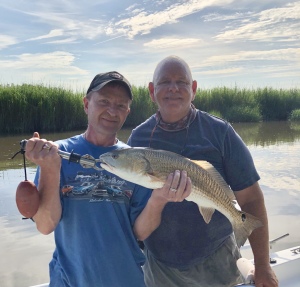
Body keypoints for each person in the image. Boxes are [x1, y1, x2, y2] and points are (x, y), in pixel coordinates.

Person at [25, 71, 191, 287]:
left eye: (121, 105)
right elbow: (45, 225)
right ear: (86, 104)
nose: (112, 111)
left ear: (127, 112)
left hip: (126, 279)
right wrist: (50, 169)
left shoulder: (137, 161)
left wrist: (159, 199)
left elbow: (139, 232)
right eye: (104, 101)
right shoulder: (57, 154)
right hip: (70, 280)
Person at [127, 56, 279, 287]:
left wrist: (263, 265)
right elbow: (133, 207)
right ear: (151, 90)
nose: (174, 88)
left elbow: (250, 199)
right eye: (164, 82)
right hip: (160, 266)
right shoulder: (138, 138)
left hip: (218, 259)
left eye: (182, 82)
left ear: (194, 89)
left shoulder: (220, 133)